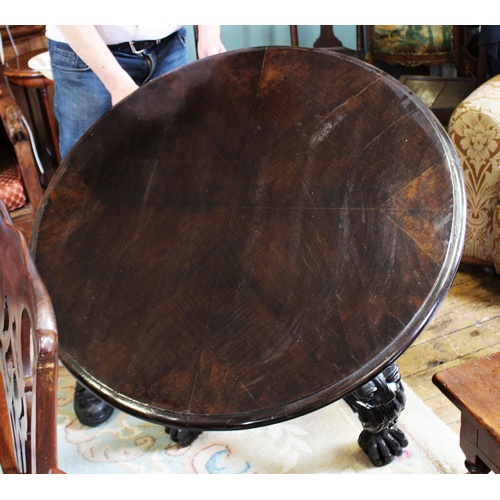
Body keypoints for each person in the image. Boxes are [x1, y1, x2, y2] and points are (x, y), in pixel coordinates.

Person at [45, 25, 226, 427]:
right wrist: (115, 81)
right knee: (91, 214)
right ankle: (94, 359)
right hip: (87, 61)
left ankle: (177, 338)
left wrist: (209, 35)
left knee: (175, 201)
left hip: (171, 46)